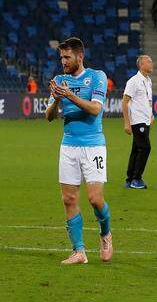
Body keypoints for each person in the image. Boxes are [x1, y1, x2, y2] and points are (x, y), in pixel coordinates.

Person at [44, 37, 113, 264]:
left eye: (67, 57)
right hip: (69, 145)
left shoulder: (96, 76)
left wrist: (70, 96)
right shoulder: (59, 80)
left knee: (95, 199)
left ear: (79, 56)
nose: (63, 61)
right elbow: (49, 117)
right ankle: (79, 251)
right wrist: (55, 101)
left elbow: (94, 109)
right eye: (61, 57)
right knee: (69, 199)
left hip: (93, 146)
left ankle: (105, 234)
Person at [122, 55, 154, 189]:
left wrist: (151, 115)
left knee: (136, 149)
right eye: (149, 61)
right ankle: (137, 179)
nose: (152, 63)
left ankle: (130, 179)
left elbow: (147, 100)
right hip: (137, 120)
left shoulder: (148, 81)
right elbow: (125, 101)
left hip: (145, 120)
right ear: (141, 65)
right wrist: (126, 123)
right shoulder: (133, 81)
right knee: (146, 148)